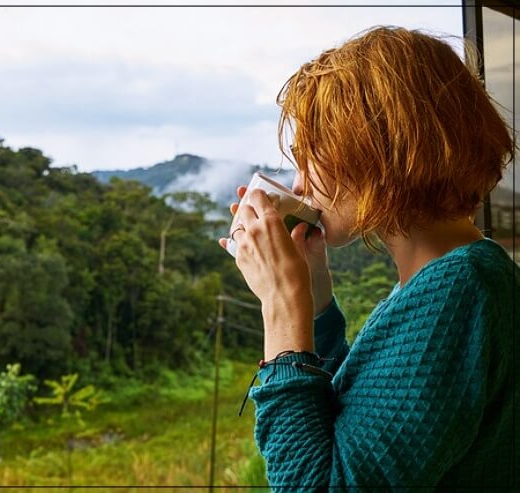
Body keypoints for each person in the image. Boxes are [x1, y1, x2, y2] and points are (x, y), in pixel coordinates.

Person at [218, 26, 518, 489]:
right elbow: (355, 423)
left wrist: (281, 312)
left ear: (375, 148)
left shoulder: (461, 289)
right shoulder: (443, 278)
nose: (298, 186)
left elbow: (319, 484)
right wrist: (315, 301)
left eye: (309, 157)